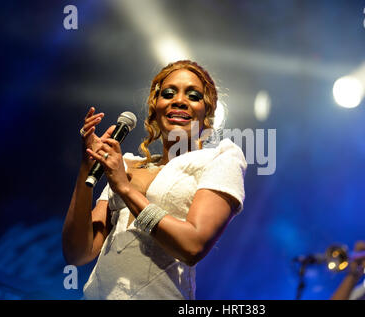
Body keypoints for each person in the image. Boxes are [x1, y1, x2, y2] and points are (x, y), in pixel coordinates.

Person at [62, 60, 247, 299]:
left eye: (193, 95)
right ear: (155, 108)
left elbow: (193, 246)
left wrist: (126, 190)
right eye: (168, 93)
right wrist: (88, 164)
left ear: (207, 114)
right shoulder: (125, 165)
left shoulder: (220, 159)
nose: (178, 100)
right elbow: (77, 253)